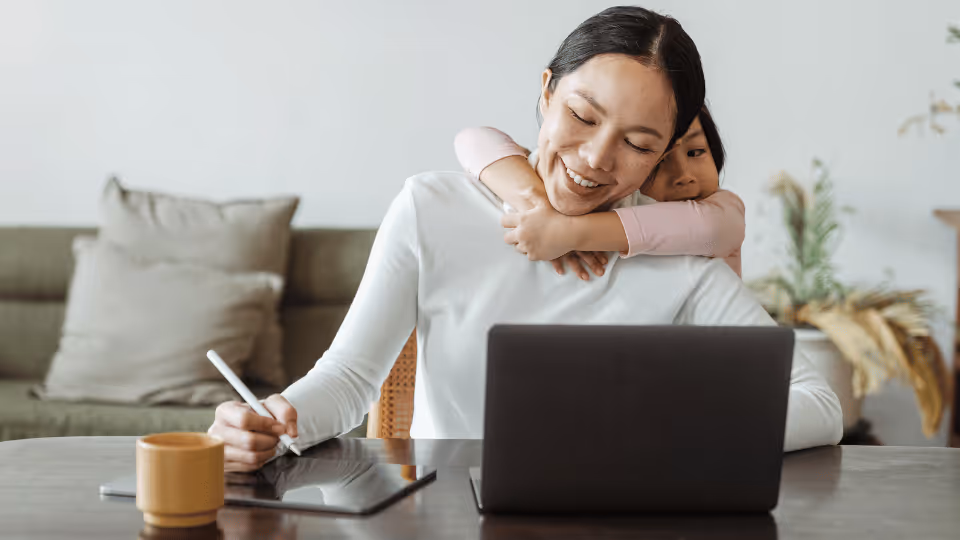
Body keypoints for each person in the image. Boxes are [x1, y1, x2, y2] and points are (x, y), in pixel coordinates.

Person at [208, 6, 842, 472]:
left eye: (639, 144)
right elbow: (348, 381)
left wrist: (677, 428)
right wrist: (270, 421)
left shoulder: (676, 254)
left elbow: (818, 404)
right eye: (582, 116)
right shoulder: (433, 208)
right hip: (446, 517)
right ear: (545, 93)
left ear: (664, 154)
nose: (596, 158)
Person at [454, 105, 745, 278]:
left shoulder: (723, 211)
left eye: (696, 152)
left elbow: (707, 228)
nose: (684, 176)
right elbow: (474, 139)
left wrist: (567, 231)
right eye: (660, 161)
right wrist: (539, 206)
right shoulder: (614, 203)